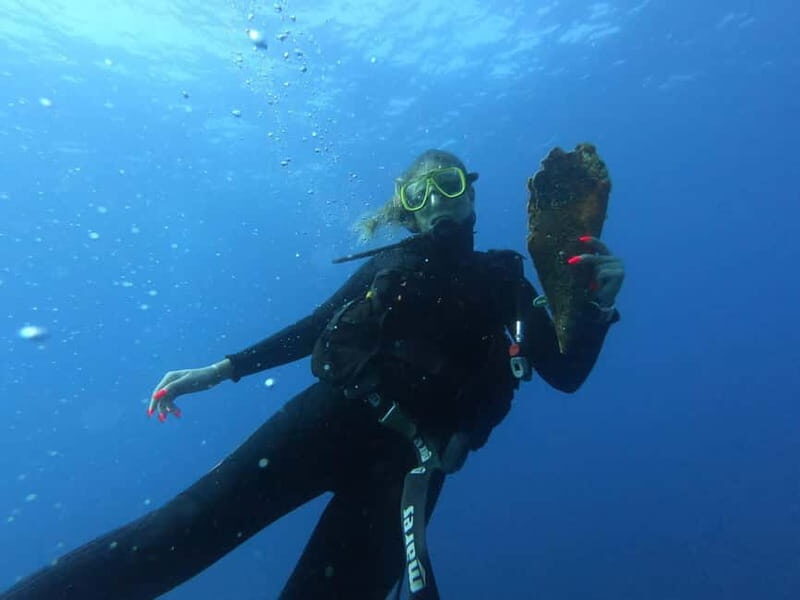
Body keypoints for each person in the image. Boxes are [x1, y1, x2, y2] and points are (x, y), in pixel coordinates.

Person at [0, 149, 624, 600]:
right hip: (327, 422)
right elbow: (314, 327)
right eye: (419, 193)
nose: (437, 200)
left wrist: (594, 306)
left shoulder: (506, 280)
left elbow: (565, 373)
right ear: (406, 211)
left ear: (471, 192)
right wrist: (220, 370)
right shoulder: (394, 265)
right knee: (176, 534)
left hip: (412, 469)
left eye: (449, 183)